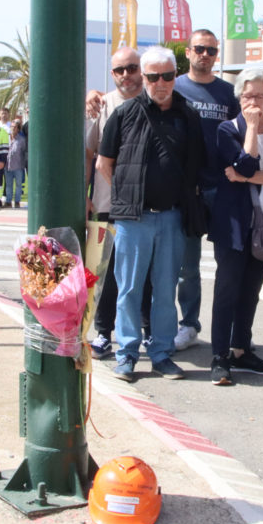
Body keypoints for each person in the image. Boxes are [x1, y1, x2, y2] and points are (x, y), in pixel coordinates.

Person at [97, 46, 203, 382]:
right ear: (144, 78)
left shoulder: (188, 115)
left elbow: (196, 167)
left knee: (165, 288)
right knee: (128, 289)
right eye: (153, 76)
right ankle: (127, 355)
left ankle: (161, 354)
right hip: (133, 219)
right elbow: (104, 163)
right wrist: (129, 194)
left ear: (175, 76)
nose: (160, 82)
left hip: (172, 218)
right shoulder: (124, 114)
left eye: (167, 76)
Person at [207, 67, 263, 385]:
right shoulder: (227, 130)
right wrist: (252, 132)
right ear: (239, 98)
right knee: (227, 289)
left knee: (251, 291)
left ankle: (242, 348)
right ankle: (220, 356)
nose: (254, 102)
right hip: (234, 225)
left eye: (260, 95)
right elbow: (243, 163)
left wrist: (255, 178)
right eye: (247, 96)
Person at [170, 29, 239, 352]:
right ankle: (189, 324)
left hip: (224, 190)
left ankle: (231, 329)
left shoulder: (228, 92)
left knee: (229, 264)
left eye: (211, 51)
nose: (205, 55)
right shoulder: (175, 87)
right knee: (187, 266)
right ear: (188, 51)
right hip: (188, 191)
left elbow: (243, 134)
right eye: (200, 49)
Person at [84, 47, 146, 359]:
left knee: (144, 272)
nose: (126, 75)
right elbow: (88, 153)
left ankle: (146, 331)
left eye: (132, 68)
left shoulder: (155, 102)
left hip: (144, 206)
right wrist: (84, 194)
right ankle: (103, 332)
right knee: (102, 272)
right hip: (105, 203)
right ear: (112, 74)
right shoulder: (101, 105)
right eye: (119, 70)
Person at [4, 117, 27, 208]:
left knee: (18, 185)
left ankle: (17, 201)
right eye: (11, 127)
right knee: (8, 185)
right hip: (7, 166)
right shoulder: (6, 138)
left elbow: (24, 152)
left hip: (18, 166)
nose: (12, 129)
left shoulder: (21, 140)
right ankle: (8, 201)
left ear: (18, 129)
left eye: (14, 127)